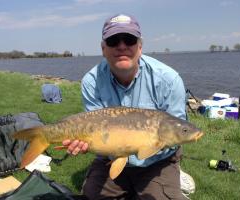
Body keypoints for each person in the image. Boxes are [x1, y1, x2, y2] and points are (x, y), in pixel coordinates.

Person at [62, 14, 190, 200]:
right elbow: (95, 131)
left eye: (129, 40)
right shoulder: (91, 81)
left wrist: (147, 150)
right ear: (103, 48)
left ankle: (169, 178)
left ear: (140, 46)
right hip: (111, 157)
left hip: (157, 163)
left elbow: (177, 134)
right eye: (114, 41)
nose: (122, 46)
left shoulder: (169, 80)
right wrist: (84, 142)